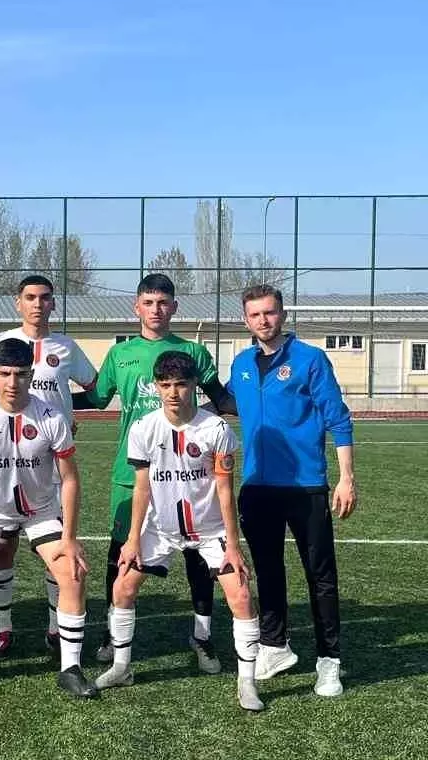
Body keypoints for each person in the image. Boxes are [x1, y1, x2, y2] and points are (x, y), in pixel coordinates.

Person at [95, 351, 263, 712]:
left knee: (241, 596)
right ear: (156, 386)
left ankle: (247, 682)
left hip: (211, 529)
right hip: (160, 528)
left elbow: (224, 490)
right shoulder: (143, 429)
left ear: (194, 386)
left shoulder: (216, 430)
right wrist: (132, 539)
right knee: (122, 587)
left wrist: (233, 545)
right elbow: (142, 488)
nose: (173, 392)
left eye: (182, 384)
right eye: (166, 384)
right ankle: (122, 667)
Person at [88, 273, 234, 674]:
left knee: (198, 556)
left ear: (174, 307)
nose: (156, 310)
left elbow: (221, 400)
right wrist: (45, 397)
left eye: (163, 302)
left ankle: (202, 637)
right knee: (121, 554)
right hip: (132, 473)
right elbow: (96, 399)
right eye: (149, 303)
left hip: (191, 474)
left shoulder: (193, 352)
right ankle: (112, 634)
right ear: (136, 306)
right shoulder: (120, 354)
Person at [0, 337, 94, 698]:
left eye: (21, 374)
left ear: (32, 375)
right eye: (5, 374)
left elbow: (70, 479)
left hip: (40, 510)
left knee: (72, 572)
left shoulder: (51, 418)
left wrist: (70, 537)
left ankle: (70, 668)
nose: (13, 382)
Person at [227, 285, 355, 698]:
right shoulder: (241, 364)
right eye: (255, 315)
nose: (263, 320)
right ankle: (275, 646)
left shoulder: (310, 359)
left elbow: (338, 419)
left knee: (321, 576)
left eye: (269, 312)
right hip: (257, 488)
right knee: (267, 571)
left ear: (282, 315)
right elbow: (228, 404)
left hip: (306, 487)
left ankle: (329, 661)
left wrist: (346, 478)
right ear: (246, 320)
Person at [0, 273, 98, 655]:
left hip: (51, 464)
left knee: (58, 549)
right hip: (6, 462)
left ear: (53, 303)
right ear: (18, 302)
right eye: (30, 297)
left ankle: (54, 627)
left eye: (45, 297)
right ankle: (3, 627)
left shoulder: (65, 347)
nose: (38, 304)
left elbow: (94, 389)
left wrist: (67, 415)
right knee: (4, 544)